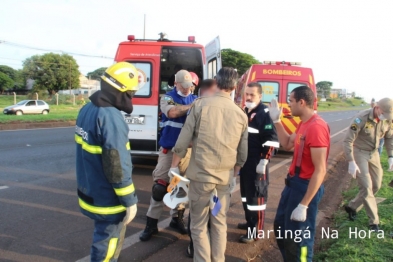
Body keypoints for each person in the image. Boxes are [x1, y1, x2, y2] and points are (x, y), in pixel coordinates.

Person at [171, 67, 248, 262]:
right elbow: (242, 153)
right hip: (224, 180)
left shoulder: (200, 105)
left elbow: (182, 141)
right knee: (219, 223)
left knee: (198, 225)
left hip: (200, 178)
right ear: (234, 87)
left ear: (216, 81)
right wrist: (235, 174)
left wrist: (174, 167)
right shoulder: (240, 114)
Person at [75, 62, 139, 261]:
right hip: (107, 198)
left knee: (101, 236)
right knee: (108, 244)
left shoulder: (87, 109)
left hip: (90, 189)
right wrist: (130, 201)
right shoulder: (110, 116)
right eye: (130, 92)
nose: (131, 97)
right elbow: (117, 165)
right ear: (121, 91)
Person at [269, 86, 330, 262]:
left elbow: (320, 170)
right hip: (292, 185)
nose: (288, 106)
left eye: (291, 101)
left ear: (301, 102)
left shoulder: (317, 128)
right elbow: (287, 144)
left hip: (305, 187)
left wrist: (304, 204)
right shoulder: (304, 123)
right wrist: (277, 121)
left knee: (300, 238)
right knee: (281, 228)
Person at [139, 70, 197, 241]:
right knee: (160, 187)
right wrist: (192, 107)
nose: (187, 89)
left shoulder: (196, 99)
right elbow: (172, 113)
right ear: (176, 83)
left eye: (190, 86)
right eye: (184, 86)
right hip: (169, 150)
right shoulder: (167, 97)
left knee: (182, 187)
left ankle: (176, 219)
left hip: (187, 151)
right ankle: (151, 225)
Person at [343, 98, 393, 231]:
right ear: (377, 108)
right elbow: (348, 140)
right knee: (366, 186)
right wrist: (351, 161)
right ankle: (374, 222)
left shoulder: (388, 119)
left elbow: (389, 137)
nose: (385, 117)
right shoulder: (361, 118)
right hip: (359, 152)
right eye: (384, 113)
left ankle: (352, 206)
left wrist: (390, 156)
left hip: (374, 153)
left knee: (376, 185)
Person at [237, 82, 278, 243]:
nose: (248, 97)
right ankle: (249, 223)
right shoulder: (246, 112)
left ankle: (256, 231)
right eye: (246, 94)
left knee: (257, 198)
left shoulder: (263, 113)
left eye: (252, 95)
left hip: (257, 163)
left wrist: (264, 161)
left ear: (260, 97)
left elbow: (272, 141)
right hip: (245, 163)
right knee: (246, 196)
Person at [185, 78, 217, 258]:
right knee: (201, 212)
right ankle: (196, 245)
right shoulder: (199, 109)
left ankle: (203, 245)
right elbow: (187, 139)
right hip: (209, 170)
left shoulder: (207, 109)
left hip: (209, 171)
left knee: (209, 211)